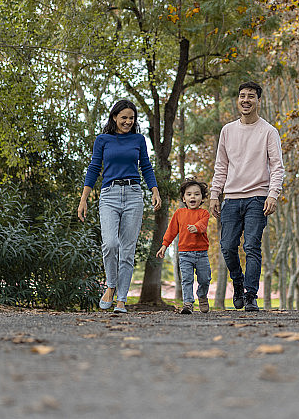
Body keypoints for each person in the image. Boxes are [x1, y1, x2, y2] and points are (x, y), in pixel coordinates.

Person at [78, 100, 161, 314]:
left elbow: (146, 166)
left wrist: (154, 190)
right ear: (114, 117)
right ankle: (111, 285)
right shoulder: (103, 140)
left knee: (127, 250)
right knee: (110, 244)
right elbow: (94, 168)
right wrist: (83, 199)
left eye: (131, 118)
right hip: (109, 195)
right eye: (124, 117)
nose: (128, 121)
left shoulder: (138, 140)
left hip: (134, 195)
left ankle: (121, 300)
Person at [210, 81, 284, 312]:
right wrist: (214, 194)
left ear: (258, 101)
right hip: (231, 198)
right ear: (238, 100)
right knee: (227, 246)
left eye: (251, 96)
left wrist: (273, 195)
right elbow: (221, 166)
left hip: (257, 198)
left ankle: (250, 295)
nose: (246, 100)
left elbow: (277, 167)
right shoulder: (227, 131)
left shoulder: (269, 131)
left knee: (252, 246)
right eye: (242, 95)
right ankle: (238, 282)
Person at [156, 179, 211, 314]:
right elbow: (171, 231)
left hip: (201, 253)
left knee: (205, 279)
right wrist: (164, 245)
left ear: (202, 198)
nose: (193, 197)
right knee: (187, 279)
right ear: (184, 198)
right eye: (189, 194)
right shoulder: (179, 213)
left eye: (197, 194)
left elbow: (203, 225)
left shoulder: (204, 213)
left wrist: (197, 227)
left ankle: (202, 296)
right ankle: (188, 304)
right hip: (185, 254)